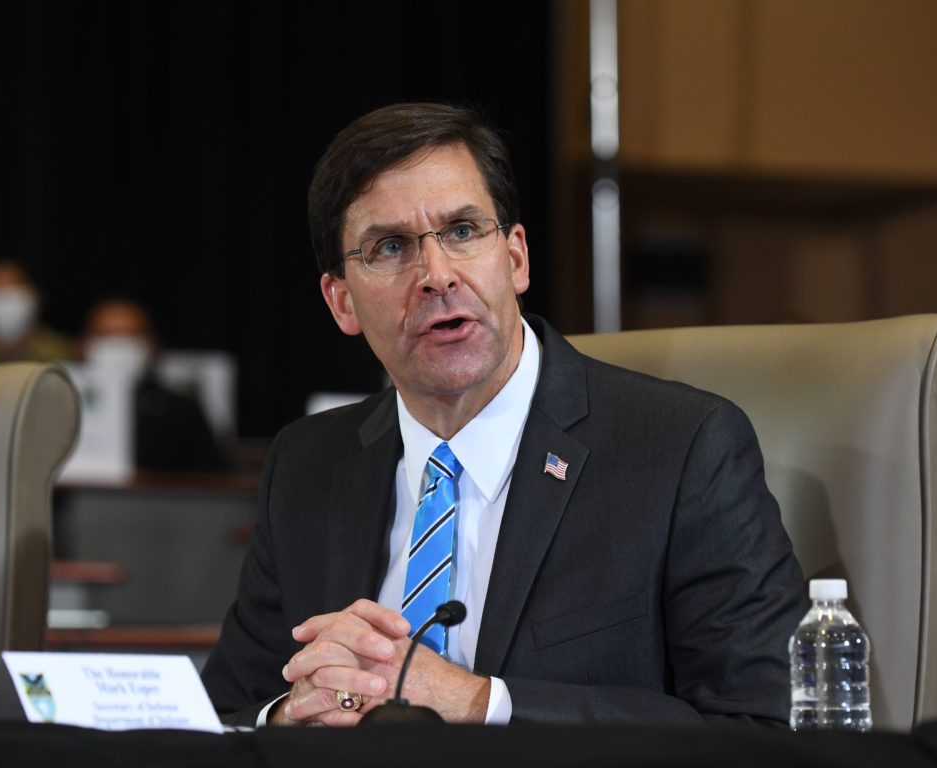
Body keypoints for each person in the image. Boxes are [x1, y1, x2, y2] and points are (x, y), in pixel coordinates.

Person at [200, 102, 808, 727]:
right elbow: (225, 713)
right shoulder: (307, 462)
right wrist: (289, 715)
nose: (436, 276)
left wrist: (477, 703)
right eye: (390, 247)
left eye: (462, 231)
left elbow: (765, 726)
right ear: (341, 302)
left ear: (515, 258)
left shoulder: (681, 451)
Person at [81, 297, 228, 474]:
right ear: (84, 343)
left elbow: (211, 479)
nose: (118, 345)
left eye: (130, 336)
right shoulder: (61, 407)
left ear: (151, 344)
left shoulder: (182, 411)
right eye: (106, 335)